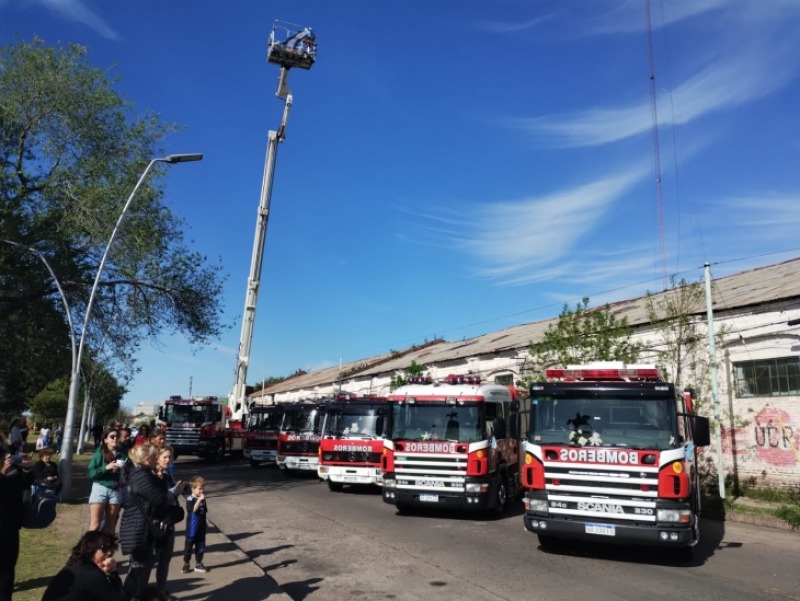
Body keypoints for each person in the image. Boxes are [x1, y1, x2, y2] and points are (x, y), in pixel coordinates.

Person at [120, 443, 168, 600]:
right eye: (155, 458)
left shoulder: (142, 473)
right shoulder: (141, 476)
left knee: (140, 573)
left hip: (140, 529)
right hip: (138, 531)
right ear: (148, 459)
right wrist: (163, 483)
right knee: (137, 576)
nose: (158, 462)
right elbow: (160, 498)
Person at [41, 530, 127, 601]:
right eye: (104, 548)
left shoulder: (75, 566)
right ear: (91, 548)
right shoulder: (91, 574)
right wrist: (113, 572)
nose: (109, 553)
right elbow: (120, 599)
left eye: (111, 550)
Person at [0, 433, 33, 601]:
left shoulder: (12, 464)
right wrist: (2, 474)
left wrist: (27, 468)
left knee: (6, 570)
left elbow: (24, 484)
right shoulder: (6, 468)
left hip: (9, 527)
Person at [154, 445, 182, 601]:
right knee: (151, 561)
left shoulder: (167, 475)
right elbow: (158, 498)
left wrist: (176, 490)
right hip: (156, 523)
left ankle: (161, 591)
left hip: (169, 522)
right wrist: (174, 492)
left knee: (165, 559)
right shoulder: (152, 475)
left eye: (169, 457)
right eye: (164, 457)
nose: (167, 460)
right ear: (156, 457)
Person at [87, 428, 126, 533]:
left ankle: (108, 549)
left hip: (116, 490)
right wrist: (105, 468)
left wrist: (126, 468)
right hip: (101, 488)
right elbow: (91, 473)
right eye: (112, 437)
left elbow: (130, 469)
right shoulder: (99, 452)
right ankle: (90, 549)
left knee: (111, 526)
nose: (115, 439)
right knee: (95, 525)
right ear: (105, 440)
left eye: (117, 437)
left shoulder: (123, 453)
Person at [182, 475, 209, 574]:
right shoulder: (190, 499)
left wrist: (205, 523)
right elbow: (193, 509)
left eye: (203, 488)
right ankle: (186, 563)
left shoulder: (203, 500)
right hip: (192, 527)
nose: (202, 491)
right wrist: (198, 500)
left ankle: (199, 563)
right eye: (199, 489)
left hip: (201, 526)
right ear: (193, 488)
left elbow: (204, 512)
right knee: (189, 545)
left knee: (201, 545)